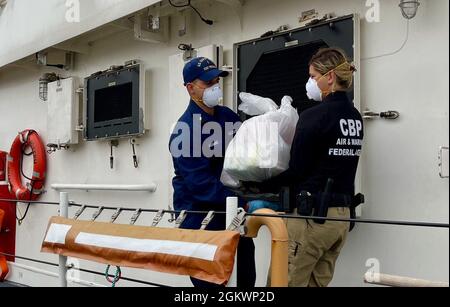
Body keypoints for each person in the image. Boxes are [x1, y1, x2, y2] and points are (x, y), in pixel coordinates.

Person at [249, 47, 363, 287]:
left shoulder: (314, 116)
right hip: (339, 221)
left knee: (282, 283)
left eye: (313, 76)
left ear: (329, 77)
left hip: (312, 220)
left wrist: (257, 185)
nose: (310, 82)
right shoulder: (354, 117)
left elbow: (297, 171)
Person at [169, 57, 256, 288]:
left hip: (235, 217)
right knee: (211, 287)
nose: (215, 87)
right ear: (190, 88)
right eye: (208, 83)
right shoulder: (184, 130)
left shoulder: (228, 117)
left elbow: (249, 155)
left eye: (217, 81)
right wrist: (245, 202)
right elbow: (200, 183)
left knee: (246, 283)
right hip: (201, 221)